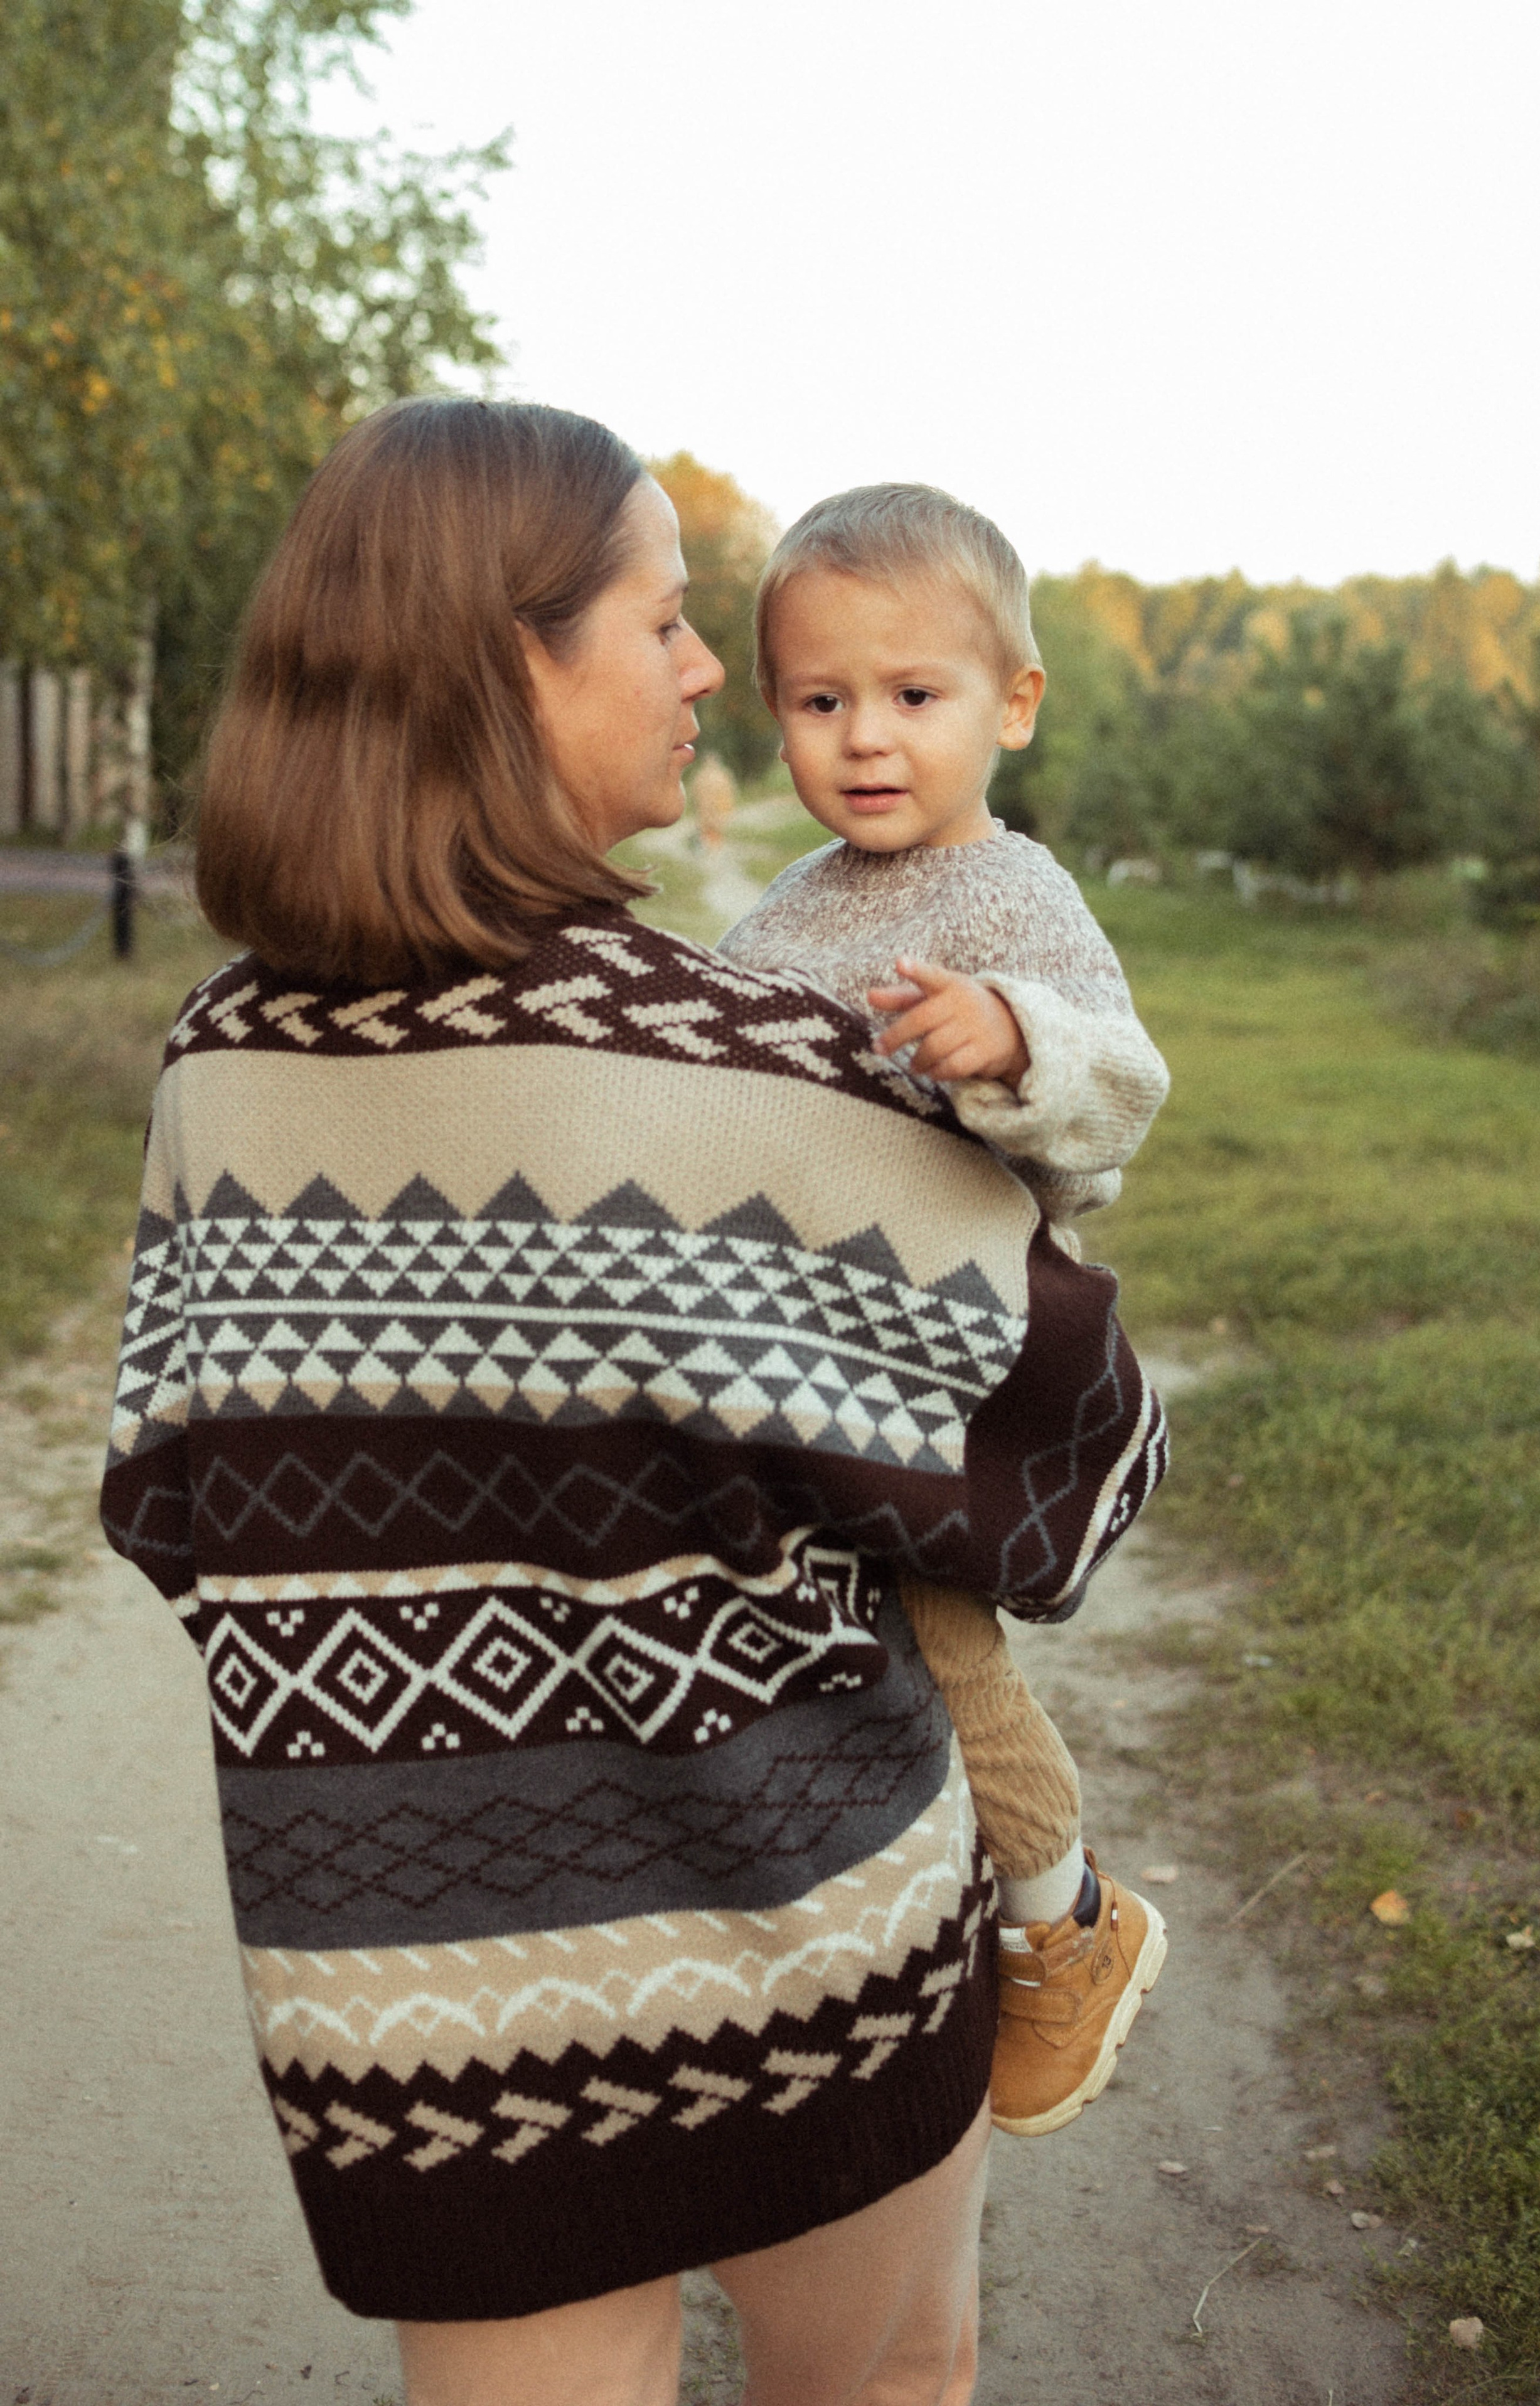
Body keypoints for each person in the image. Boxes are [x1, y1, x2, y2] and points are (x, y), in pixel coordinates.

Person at [100, 400, 1167, 2406]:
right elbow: (1076, 1472)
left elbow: (170, 1500)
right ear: (516, 657)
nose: (710, 675)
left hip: (416, 2009)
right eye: (671, 626)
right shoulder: (747, 1066)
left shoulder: (217, 1065)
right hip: (805, 1950)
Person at [719, 484, 1171, 2137]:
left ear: (1015, 704)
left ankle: (1067, 1919)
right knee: (785, 1626)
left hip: (940, 1353)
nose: (866, 737)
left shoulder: (1013, 899)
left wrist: (1016, 1040)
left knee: (933, 1631)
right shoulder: (787, 906)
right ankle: (862, 1898)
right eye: (820, 700)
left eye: (916, 696)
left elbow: (1125, 1088)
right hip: (794, 1361)